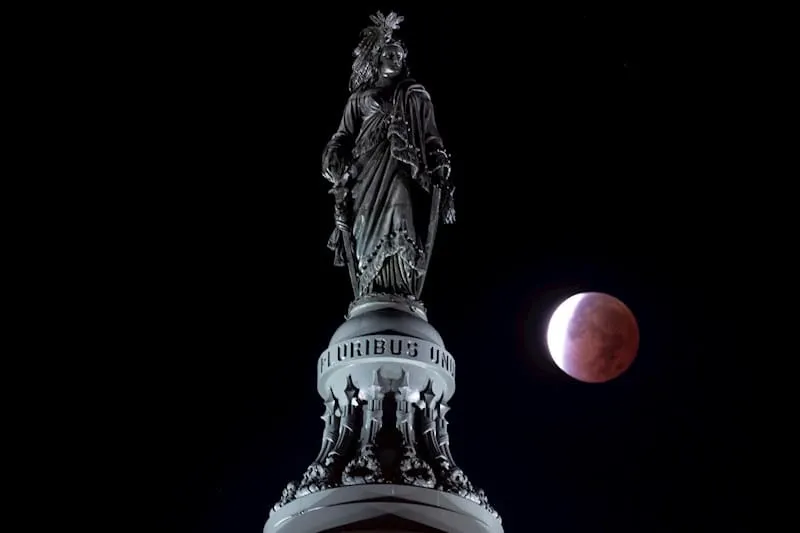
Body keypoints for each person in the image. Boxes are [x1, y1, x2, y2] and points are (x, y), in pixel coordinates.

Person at [322, 12, 455, 299]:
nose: (395, 60)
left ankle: (402, 286)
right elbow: (343, 135)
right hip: (364, 171)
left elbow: (431, 135)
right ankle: (370, 289)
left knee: (400, 200)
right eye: (389, 54)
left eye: (399, 56)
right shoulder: (358, 98)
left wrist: (439, 159)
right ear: (378, 59)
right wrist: (334, 158)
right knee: (364, 226)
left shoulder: (415, 94)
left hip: (402, 165)